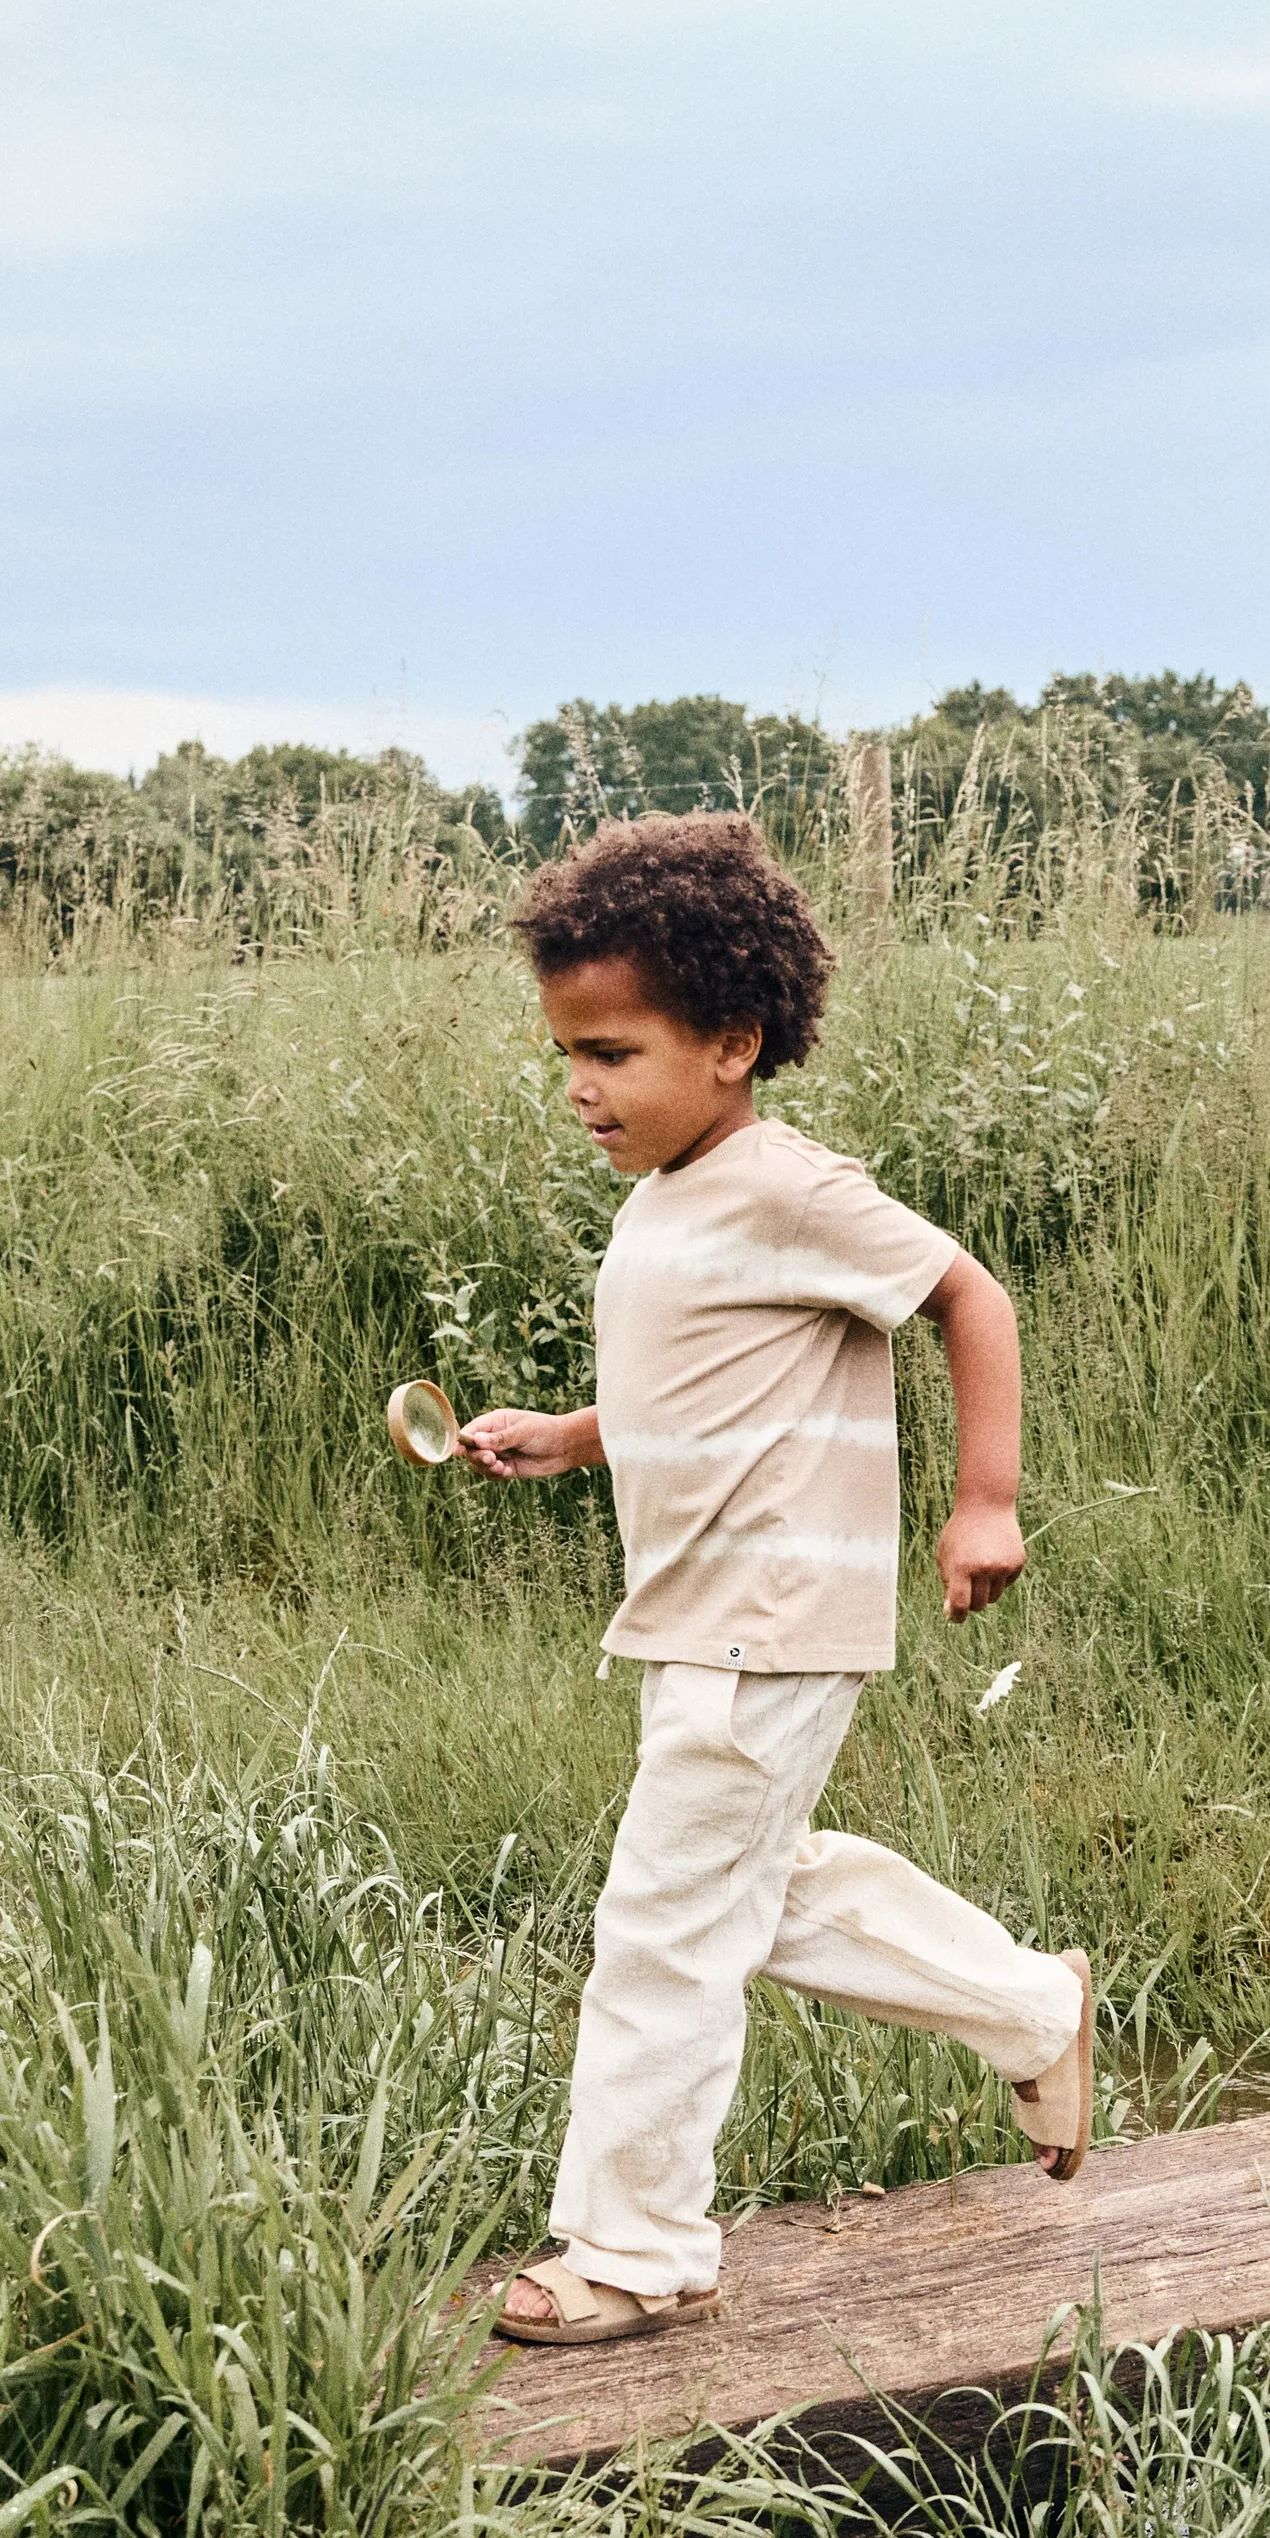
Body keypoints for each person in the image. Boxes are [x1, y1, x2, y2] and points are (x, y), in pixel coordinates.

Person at [456, 811, 1094, 2350]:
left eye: (612, 1053)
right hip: (706, 1613)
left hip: (769, 1618)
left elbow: (970, 1296)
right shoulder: (668, 1196)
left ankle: (635, 2251)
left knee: (665, 1929)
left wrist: (986, 1504)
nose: (581, 1087)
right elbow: (705, 1384)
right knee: (752, 1883)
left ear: (733, 1043)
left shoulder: (790, 1188)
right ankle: (1033, 2009)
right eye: (567, 1055)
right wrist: (573, 1435)